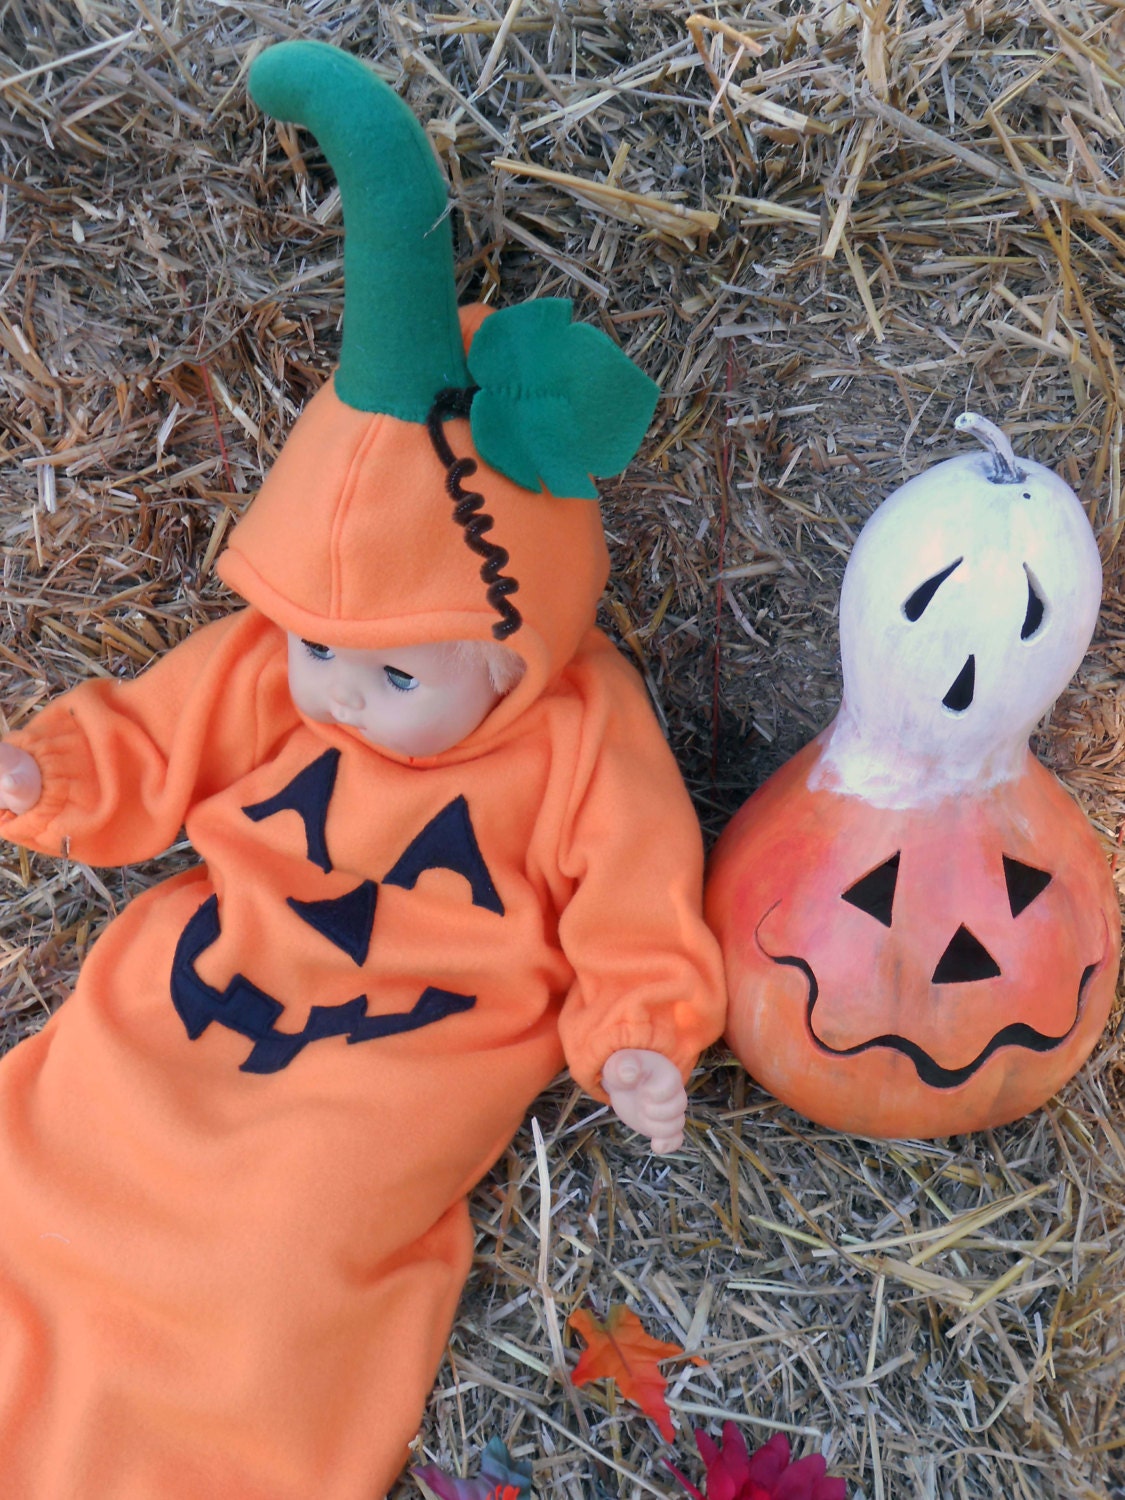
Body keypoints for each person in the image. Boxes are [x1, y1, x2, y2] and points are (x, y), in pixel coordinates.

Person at [0, 40, 725, 1499]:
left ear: (514, 650)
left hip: (400, 1053)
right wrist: (50, 777)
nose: (336, 692)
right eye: (318, 647)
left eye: (396, 671)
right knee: (64, 1145)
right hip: (208, 983)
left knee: (278, 1245)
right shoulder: (290, 672)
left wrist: (639, 1032)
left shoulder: (583, 733)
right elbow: (158, 739)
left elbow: (634, 900)